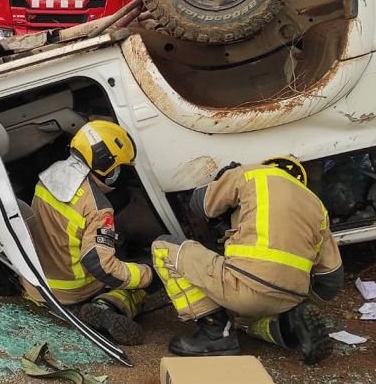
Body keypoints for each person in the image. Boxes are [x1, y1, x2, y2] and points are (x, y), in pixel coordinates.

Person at [151, 156, 343, 364]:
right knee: (244, 319)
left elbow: (201, 204)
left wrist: (224, 179)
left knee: (163, 247)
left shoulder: (252, 173)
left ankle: (215, 335)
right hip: (290, 298)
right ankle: (287, 324)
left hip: (244, 286)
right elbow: (331, 279)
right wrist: (303, 301)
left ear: (268, 165)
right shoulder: (317, 207)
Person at [21, 120, 154, 345]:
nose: (118, 173)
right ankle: (108, 305)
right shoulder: (98, 208)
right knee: (144, 276)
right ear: (106, 166)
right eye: (118, 167)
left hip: (37, 284)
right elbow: (99, 265)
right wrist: (145, 273)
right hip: (74, 291)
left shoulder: (46, 177)